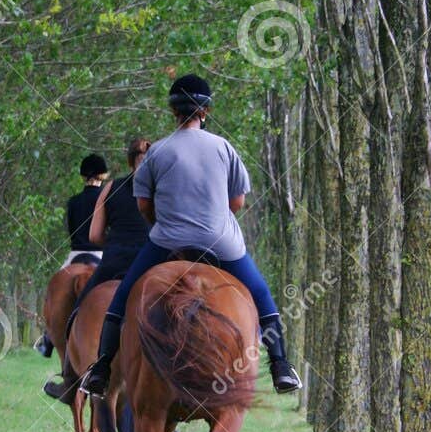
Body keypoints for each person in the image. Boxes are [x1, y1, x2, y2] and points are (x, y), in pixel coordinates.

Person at [49, 75, 301, 398]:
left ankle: (100, 368)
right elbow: (237, 201)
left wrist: (165, 224)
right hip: (220, 242)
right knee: (261, 295)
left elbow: (144, 205)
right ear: (205, 111)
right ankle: (280, 365)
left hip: (168, 242)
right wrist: (212, 219)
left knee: (122, 296)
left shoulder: (158, 152)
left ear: (173, 112)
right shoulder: (224, 147)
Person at [43, 137, 151, 397]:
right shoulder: (160, 189)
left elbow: (88, 234)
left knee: (78, 308)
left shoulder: (86, 198)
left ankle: (55, 351)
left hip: (93, 254)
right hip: (143, 257)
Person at [34, 152, 108, 357]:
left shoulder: (73, 201)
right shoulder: (107, 199)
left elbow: (72, 230)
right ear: (103, 174)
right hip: (101, 255)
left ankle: (48, 339)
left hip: (75, 253)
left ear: (83, 175)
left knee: (52, 295)